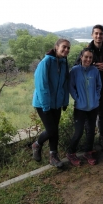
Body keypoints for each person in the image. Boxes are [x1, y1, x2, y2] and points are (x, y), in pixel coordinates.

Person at [75, 24, 103, 152]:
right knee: (90, 116)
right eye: (96, 33)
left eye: (101, 34)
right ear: (92, 35)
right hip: (89, 89)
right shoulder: (87, 50)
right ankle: (90, 142)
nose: (98, 36)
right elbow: (77, 65)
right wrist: (92, 64)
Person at [32, 39, 70, 168]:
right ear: (56, 47)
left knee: (55, 130)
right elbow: (41, 85)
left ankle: (53, 156)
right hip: (43, 103)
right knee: (51, 130)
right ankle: (37, 144)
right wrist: (46, 106)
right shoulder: (46, 62)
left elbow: (65, 84)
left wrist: (65, 101)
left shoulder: (64, 62)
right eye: (64, 47)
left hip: (57, 103)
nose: (66, 50)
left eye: (68, 48)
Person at [67, 48, 102, 166]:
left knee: (91, 131)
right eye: (86, 57)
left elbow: (99, 85)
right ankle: (71, 153)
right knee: (78, 132)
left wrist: (96, 97)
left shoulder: (95, 71)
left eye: (90, 57)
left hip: (93, 107)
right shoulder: (75, 70)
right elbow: (71, 87)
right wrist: (77, 99)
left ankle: (88, 152)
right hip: (80, 108)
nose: (88, 59)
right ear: (81, 57)